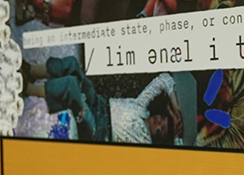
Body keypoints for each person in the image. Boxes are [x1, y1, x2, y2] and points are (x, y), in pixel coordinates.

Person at [22, 56, 182, 144]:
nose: (159, 122)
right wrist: (176, 109)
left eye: (162, 128)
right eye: (162, 118)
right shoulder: (142, 107)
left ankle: (27, 88)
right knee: (72, 64)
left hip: (97, 130)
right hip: (99, 103)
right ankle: (29, 70)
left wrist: (176, 137)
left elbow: (176, 160)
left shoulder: (144, 142)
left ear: (159, 138)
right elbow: (164, 79)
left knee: (71, 86)